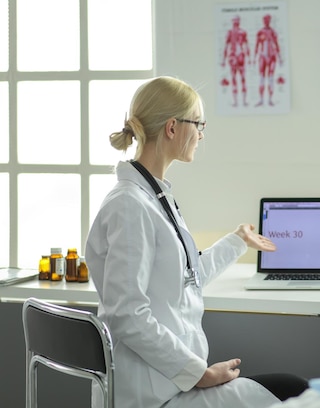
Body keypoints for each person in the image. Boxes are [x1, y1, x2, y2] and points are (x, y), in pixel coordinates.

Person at [85, 76, 307, 408]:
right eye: (198, 124)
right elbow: (126, 314)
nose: (201, 135)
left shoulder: (154, 196)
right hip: (154, 395)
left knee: (294, 387)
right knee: (297, 390)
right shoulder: (130, 205)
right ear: (172, 128)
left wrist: (237, 241)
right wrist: (198, 373)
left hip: (171, 382)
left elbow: (186, 275)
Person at [221, 15, 250, 107]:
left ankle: (243, 101)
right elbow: (226, 46)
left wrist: (249, 58)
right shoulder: (230, 33)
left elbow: (246, 45)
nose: (236, 23)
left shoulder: (242, 32)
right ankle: (236, 102)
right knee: (234, 79)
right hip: (233, 57)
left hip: (239, 56)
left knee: (242, 79)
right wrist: (224, 60)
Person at [254, 14, 282, 106]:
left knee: (270, 78)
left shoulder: (273, 32)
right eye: (265, 19)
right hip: (262, 56)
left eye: (268, 20)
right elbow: (257, 45)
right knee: (262, 78)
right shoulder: (260, 32)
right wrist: (254, 58)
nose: (266, 21)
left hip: (272, 56)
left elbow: (276, 44)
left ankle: (270, 99)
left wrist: (280, 57)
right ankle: (261, 99)